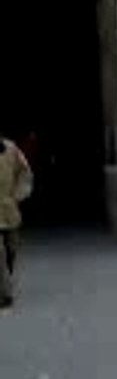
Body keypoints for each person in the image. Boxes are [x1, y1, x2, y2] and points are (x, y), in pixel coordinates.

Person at [0, 132, 33, 309]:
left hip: (9, 210)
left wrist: (18, 194)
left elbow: (25, 172)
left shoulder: (11, 149)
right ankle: (4, 295)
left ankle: (5, 280)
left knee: (11, 250)